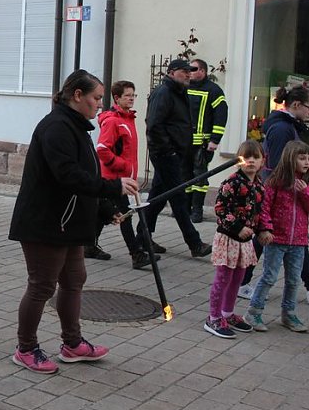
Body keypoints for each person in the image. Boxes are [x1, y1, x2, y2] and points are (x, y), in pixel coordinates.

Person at [9, 70, 138, 374]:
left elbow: (86, 179)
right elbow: (68, 175)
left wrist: (106, 210)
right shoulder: (56, 127)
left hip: (67, 224)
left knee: (74, 280)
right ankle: (25, 348)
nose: (99, 105)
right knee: (42, 286)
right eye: (96, 98)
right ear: (77, 96)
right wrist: (113, 186)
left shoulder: (76, 127)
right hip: (45, 223)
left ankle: (72, 344)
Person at [238, 85, 309, 305]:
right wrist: (293, 186)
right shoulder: (282, 129)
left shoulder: (288, 126)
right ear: (296, 105)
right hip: (279, 197)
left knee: (289, 239)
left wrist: (306, 186)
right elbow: (277, 165)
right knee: (277, 238)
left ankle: (245, 281)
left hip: (286, 195)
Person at [246, 141, 309, 332]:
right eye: (301, 158)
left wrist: (305, 193)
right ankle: (254, 312)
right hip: (276, 239)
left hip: (299, 242)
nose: (306, 162)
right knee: (269, 277)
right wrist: (265, 230)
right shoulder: (275, 183)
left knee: (293, 280)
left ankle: (288, 314)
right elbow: (263, 208)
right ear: (291, 159)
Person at [138, 59, 212, 258]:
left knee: (157, 197)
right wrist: (168, 151)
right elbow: (154, 124)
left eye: (190, 71)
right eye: (184, 71)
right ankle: (194, 243)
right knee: (179, 197)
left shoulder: (179, 92)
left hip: (175, 153)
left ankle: (142, 237)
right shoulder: (164, 93)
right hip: (165, 154)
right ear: (171, 72)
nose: (188, 74)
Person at [203, 140, 265, 339]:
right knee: (223, 278)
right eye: (247, 157)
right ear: (239, 160)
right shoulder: (232, 182)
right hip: (229, 238)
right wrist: (238, 227)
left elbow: (260, 211)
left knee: (238, 278)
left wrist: (263, 230)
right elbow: (220, 209)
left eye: (256, 157)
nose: (251, 161)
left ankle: (227, 313)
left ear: (263, 161)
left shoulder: (258, 185)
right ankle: (213, 317)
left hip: (245, 242)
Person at [90, 80, 151, 268]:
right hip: (114, 179)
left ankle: (89, 245)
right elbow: (102, 149)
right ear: (117, 98)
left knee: (103, 214)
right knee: (125, 214)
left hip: (124, 177)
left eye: (133, 95)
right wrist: (122, 166)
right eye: (127, 96)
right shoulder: (113, 120)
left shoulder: (128, 119)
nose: (132, 99)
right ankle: (136, 254)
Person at [187, 59, 228, 223]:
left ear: (203, 71)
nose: (190, 71)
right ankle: (185, 208)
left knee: (199, 177)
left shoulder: (214, 90)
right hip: (184, 142)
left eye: (194, 69)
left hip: (203, 144)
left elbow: (221, 116)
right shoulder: (185, 87)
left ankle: (197, 210)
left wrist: (214, 140)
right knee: (185, 176)